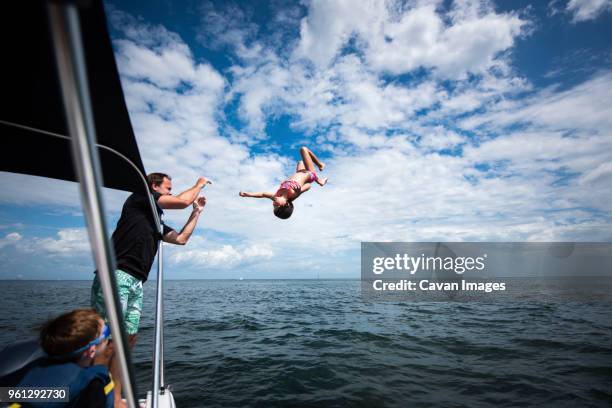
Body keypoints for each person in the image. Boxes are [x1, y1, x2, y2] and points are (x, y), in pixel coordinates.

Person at [90, 173, 208, 407]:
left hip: (136, 282)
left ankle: (115, 397)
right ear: (154, 186)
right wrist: (199, 184)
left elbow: (182, 239)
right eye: (168, 188)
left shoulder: (155, 222)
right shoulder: (140, 198)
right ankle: (95, 399)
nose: (171, 193)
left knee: (127, 340)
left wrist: (196, 213)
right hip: (116, 275)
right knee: (106, 341)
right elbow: (182, 201)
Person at [7, 308, 115, 408]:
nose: (108, 335)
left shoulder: (26, 373)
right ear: (91, 351)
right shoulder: (91, 386)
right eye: (106, 332)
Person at [239, 146, 328, 219]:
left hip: (300, 172)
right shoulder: (293, 195)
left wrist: (248, 194)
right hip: (310, 174)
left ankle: (320, 181)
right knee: (303, 149)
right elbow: (308, 186)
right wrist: (299, 190)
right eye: (277, 206)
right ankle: (320, 166)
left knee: (300, 162)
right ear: (286, 204)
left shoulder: (275, 197)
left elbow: (262, 194)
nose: (274, 204)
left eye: (274, 207)